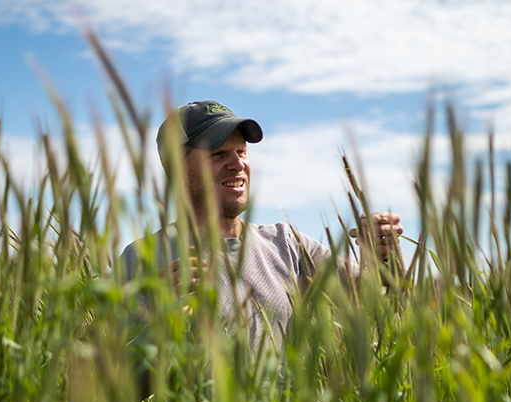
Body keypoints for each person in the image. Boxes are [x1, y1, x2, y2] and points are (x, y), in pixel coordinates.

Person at [119, 100, 403, 352]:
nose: (238, 164)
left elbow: (379, 305)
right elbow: (113, 389)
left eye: (242, 151)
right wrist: (161, 332)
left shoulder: (287, 245)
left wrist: (381, 256)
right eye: (218, 154)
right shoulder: (142, 258)